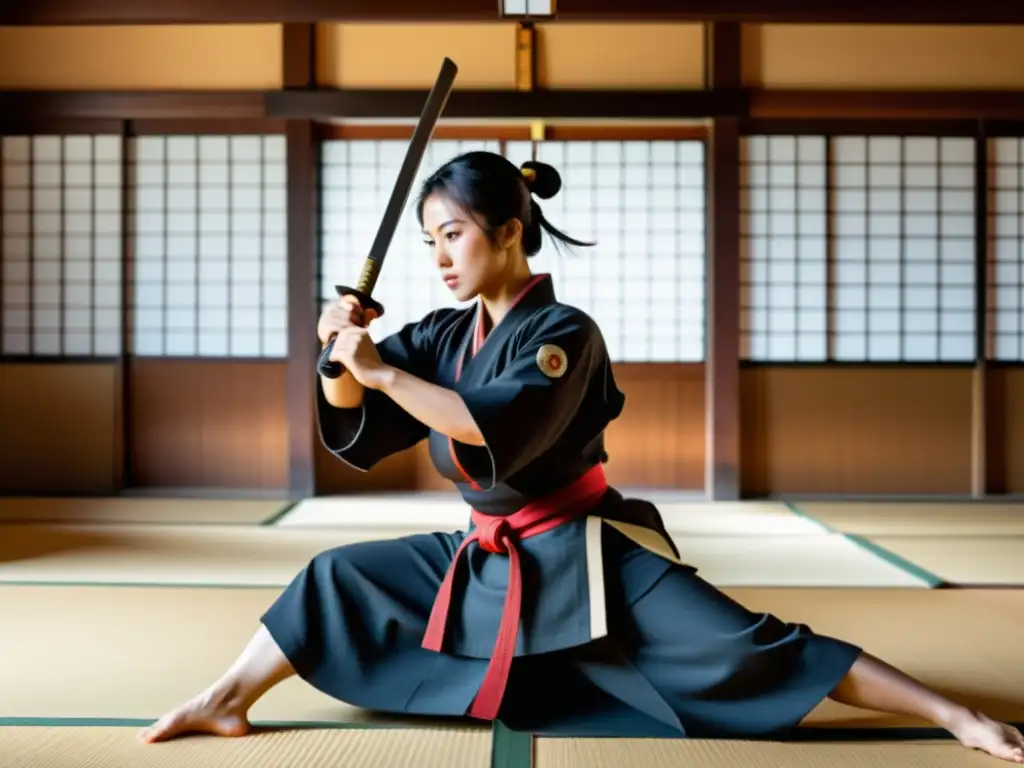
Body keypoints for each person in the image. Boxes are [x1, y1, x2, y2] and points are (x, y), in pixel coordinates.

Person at [139, 151, 1024, 763]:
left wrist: (375, 372)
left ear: (511, 230)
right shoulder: (448, 332)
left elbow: (488, 426)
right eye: (430, 243)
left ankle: (956, 712)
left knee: (749, 646)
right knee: (337, 577)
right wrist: (336, 356)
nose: (441, 257)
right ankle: (226, 696)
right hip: (485, 553)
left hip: (587, 548)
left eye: (453, 234)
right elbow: (360, 414)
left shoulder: (563, 333)